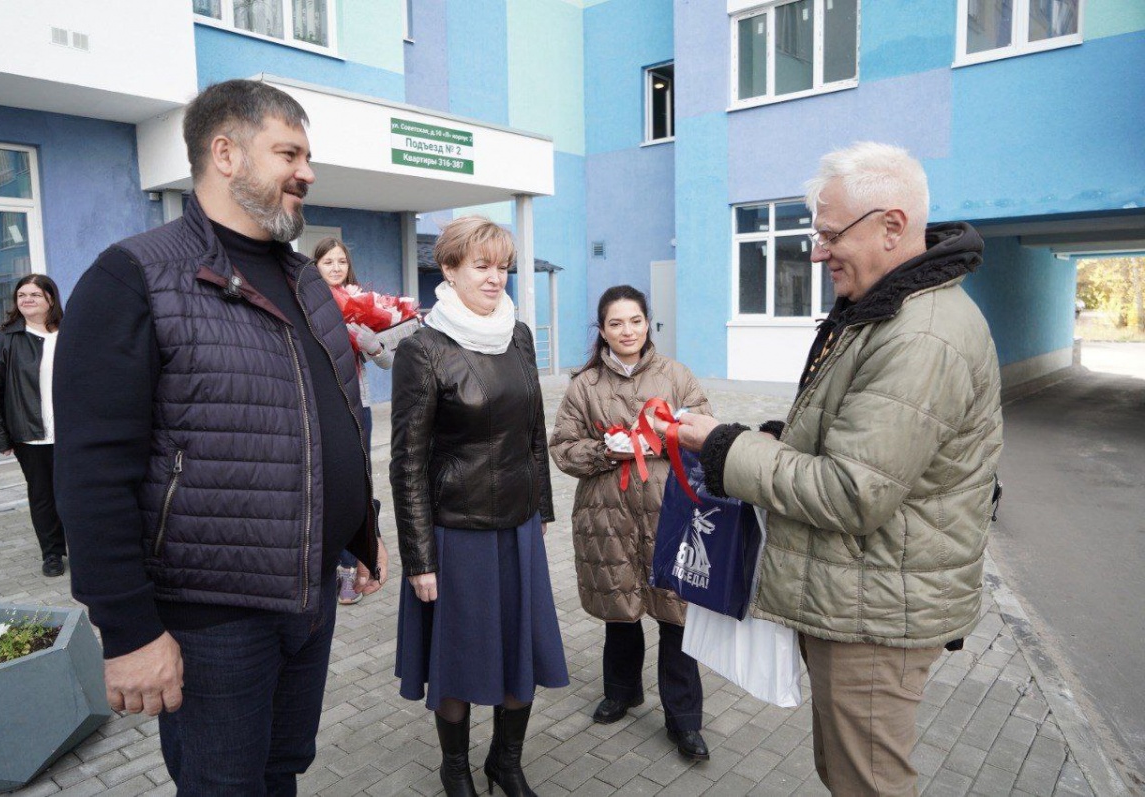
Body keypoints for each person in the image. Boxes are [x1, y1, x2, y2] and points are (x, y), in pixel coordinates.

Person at [53, 79, 388, 795]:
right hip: (213, 618)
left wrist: (364, 526)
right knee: (223, 785)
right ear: (226, 152)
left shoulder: (305, 281)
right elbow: (90, 473)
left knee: (282, 768)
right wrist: (129, 632)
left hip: (309, 593)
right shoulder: (135, 276)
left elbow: (341, 415)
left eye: (308, 154)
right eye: (289, 152)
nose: (308, 171)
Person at [657, 142, 1003, 796]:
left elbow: (852, 492)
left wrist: (726, 447)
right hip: (863, 594)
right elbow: (862, 444)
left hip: (876, 614)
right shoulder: (894, 311)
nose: (816, 252)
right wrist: (781, 440)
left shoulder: (920, 334)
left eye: (828, 234)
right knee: (845, 773)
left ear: (892, 226)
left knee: (865, 783)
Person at [391, 215, 568, 797]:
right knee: (460, 660)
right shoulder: (423, 349)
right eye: (482, 266)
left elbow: (535, 433)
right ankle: (456, 770)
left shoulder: (518, 334)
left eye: (504, 267)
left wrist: (539, 511)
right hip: (455, 534)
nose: (496, 279)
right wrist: (419, 559)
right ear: (448, 269)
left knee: (521, 652)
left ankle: (506, 763)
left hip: (517, 528)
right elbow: (407, 464)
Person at [549, 285, 713, 761]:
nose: (627, 331)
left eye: (635, 321)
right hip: (608, 514)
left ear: (648, 324)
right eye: (616, 323)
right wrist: (604, 450)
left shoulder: (675, 375)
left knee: (675, 615)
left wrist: (669, 436)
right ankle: (622, 691)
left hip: (670, 509)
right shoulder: (585, 385)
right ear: (602, 330)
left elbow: (705, 427)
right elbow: (562, 447)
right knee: (620, 609)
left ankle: (684, 720)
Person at [313, 236, 395, 606]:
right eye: (327, 261)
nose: (334, 267)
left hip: (355, 406)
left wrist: (370, 342)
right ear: (315, 266)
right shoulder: (307, 304)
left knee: (355, 486)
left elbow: (387, 360)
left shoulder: (361, 304)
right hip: (316, 409)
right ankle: (329, 564)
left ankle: (351, 568)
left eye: (340, 261)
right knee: (324, 487)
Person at [0, 274, 67, 578]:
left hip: (72, 433)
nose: (26, 299)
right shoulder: (6, 339)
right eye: (21, 295)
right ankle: (52, 553)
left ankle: (82, 549)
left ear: (50, 299)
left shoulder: (71, 333)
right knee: (43, 496)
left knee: (75, 493)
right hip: (31, 435)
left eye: (35, 294)